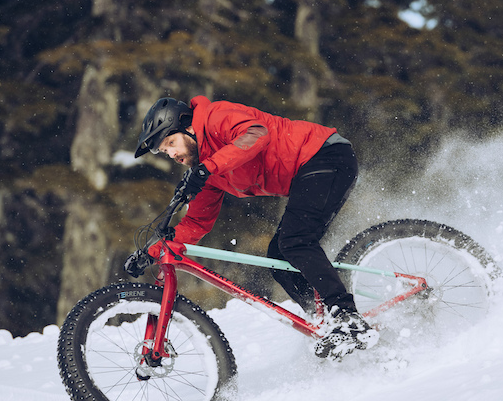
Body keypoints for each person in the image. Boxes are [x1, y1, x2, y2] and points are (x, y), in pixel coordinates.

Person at [130, 95, 379, 360]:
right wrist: (152, 251)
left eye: (171, 143)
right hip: (308, 172)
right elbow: (197, 222)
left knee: (295, 240)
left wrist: (207, 168)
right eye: (165, 151)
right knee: (278, 258)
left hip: (325, 155)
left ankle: (347, 317)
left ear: (188, 127)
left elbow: (257, 134)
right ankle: (327, 321)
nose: (173, 154)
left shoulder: (215, 117)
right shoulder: (205, 170)